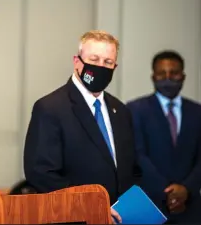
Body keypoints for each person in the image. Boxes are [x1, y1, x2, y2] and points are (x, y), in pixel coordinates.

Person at [23, 30, 139, 223]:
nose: (101, 67)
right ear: (77, 61)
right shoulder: (50, 108)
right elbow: (41, 173)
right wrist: (90, 207)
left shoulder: (121, 111)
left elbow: (131, 168)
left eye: (108, 62)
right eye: (94, 60)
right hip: (75, 218)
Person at [126, 50, 201, 224]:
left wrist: (186, 190)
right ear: (153, 77)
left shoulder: (197, 112)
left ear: (183, 76)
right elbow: (138, 155)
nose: (167, 78)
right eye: (162, 73)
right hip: (149, 203)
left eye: (173, 73)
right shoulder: (135, 109)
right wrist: (167, 192)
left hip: (190, 206)